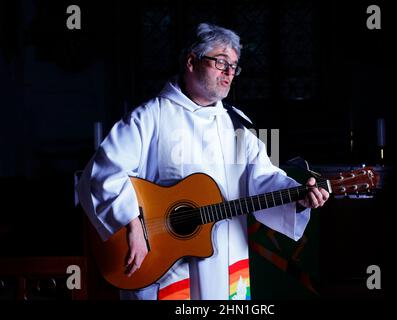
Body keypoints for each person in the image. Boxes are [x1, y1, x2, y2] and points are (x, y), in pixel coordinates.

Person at [77, 22, 329, 300]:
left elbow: (264, 179)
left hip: (227, 258)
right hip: (164, 262)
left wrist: (299, 198)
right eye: (221, 62)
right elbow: (101, 175)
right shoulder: (150, 117)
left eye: (234, 66)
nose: (229, 73)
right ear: (191, 62)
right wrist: (131, 223)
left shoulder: (237, 124)